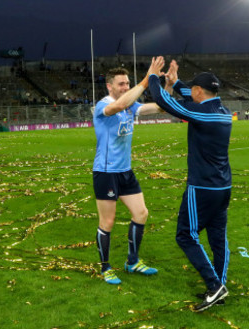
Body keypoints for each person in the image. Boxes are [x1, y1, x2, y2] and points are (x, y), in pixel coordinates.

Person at [147, 57, 232, 312]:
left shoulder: (202, 113)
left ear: (199, 91)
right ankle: (219, 286)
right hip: (222, 187)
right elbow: (187, 94)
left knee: (185, 235)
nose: (190, 91)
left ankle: (214, 286)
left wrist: (154, 76)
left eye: (192, 89)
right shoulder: (223, 112)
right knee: (218, 238)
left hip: (202, 187)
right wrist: (175, 81)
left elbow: (165, 101)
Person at [92, 61, 169, 285]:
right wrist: (146, 81)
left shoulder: (130, 104)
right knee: (108, 221)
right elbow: (119, 105)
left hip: (125, 171)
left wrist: (168, 87)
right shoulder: (103, 105)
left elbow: (157, 108)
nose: (126, 87)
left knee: (141, 213)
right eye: (121, 84)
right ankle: (105, 268)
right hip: (106, 172)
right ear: (110, 86)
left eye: (127, 83)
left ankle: (132, 262)